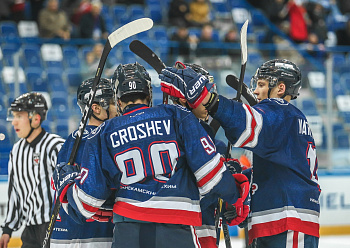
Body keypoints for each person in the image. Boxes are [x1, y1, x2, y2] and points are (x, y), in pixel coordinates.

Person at [52, 62, 249, 248]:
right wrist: (235, 193)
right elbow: (210, 176)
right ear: (149, 94)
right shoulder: (177, 115)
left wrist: (67, 185)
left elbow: (86, 203)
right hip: (176, 226)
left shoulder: (103, 133)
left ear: (118, 100)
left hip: (128, 230)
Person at [159, 59, 321, 247]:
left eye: (261, 85)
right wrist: (234, 179)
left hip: (287, 219)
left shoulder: (281, 112)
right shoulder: (287, 122)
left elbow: (247, 125)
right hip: (281, 219)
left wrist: (209, 100)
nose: (256, 91)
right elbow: (273, 173)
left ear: (281, 88)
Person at [50, 78, 117, 247]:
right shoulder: (101, 140)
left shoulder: (72, 140)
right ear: (96, 108)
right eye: (114, 102)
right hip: (91, 237)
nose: (120, 107)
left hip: (66, 235)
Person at [0, 92, 65, 248]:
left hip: (55, 227)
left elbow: (68, 187)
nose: (14, 122)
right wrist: (8, 228)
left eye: (19, 116)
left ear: (36, 118)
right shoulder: (16, 150)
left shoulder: (55, 146)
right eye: (14, 116)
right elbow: (15, 192)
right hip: (30, 229)